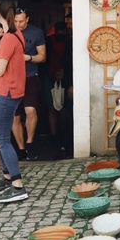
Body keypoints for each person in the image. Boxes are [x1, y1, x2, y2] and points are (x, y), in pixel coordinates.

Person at [0, 0, 28, 203]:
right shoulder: (14, 36)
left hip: (7, 92)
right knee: (2, 139)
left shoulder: (9, 39)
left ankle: (17, 185)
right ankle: (6, 178)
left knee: (2, 140)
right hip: (12, 91)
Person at [12, 8, 46, 160]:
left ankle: (30, 144)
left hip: (31, 76)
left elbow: (43, 57)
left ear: (27, 19)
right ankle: (21, 149)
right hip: (13, 79)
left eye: (21, 21)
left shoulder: (36, 33)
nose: (18, 24)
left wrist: (29, 58)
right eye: (15, 21)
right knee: (15, 116)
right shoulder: (9, 33)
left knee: (30, 111)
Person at [45, 21, 73, 156]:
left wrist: (62, 73)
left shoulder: (67, 42)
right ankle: (57, 136)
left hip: (62, 77)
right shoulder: (54, 41)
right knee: (56, 107)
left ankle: (59, 136)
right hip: (53, 76)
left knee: (60, 108)